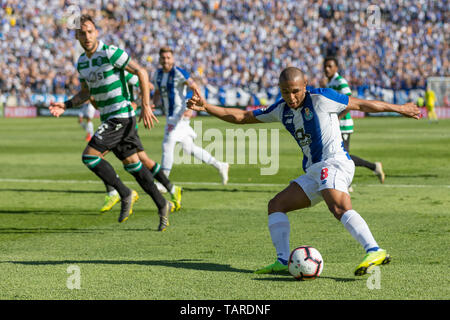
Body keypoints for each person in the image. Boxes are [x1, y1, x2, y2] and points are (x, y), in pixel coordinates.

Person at [187, 67, 420, 276]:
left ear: (305, 86)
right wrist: (206, 106)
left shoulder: (321, 98)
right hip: (314, 171)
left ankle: (375, 250)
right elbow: (242, 116)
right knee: (276, 205)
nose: (291, 97)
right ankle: (282, 261)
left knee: (337, 206)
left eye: (296, 91)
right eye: (285, 91)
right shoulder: (281, 109)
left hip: (335, 163)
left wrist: (400, 109)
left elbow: (360, 104)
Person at [48, 14, 174, 232]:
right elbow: (86, 93)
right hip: (109, 117)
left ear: (97, 32)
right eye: (82, 33)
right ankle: (162, 204)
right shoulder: (82, 62)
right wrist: (65, 105)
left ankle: (125, 193)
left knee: (90, 156)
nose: (87, 36)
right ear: (77, 36)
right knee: (133, 165)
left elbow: (142, 72)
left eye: (90, 31)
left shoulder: (110, 52)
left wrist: (144, 105)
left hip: (121, 115)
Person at [91, 72, 182, 212]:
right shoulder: (105, 74)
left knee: (96, 154)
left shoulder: (124, 74)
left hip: (124, 123)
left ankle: (113, 193)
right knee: (143, 159)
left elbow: (149, 86)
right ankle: (172, 189)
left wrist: (137, 104)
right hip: (116, 122)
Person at [152, 47, 229, 184]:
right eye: (163, 58)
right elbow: (158, 93)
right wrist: (152, 105)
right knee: (189, 149)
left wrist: (196, 106)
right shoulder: (157, 74)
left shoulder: (178, 73)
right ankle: (220, 165)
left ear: (173, 59)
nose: (166, 61)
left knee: (167, 145)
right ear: (159, 59)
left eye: (168, 58)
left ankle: (163, 183)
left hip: (179, 115)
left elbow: (195, 87)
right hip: (172, 115)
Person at [323, 56, 385, 189]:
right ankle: (373, 167)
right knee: (337, 155)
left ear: (336, 68)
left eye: (330, 66)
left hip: (343, 125)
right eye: (325, 66)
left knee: (343, 156)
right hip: (335, 125)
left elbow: (350, 100)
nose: (327, 69)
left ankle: (352, 180)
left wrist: (338, 117)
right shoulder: (329, 83)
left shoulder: (340, 81)